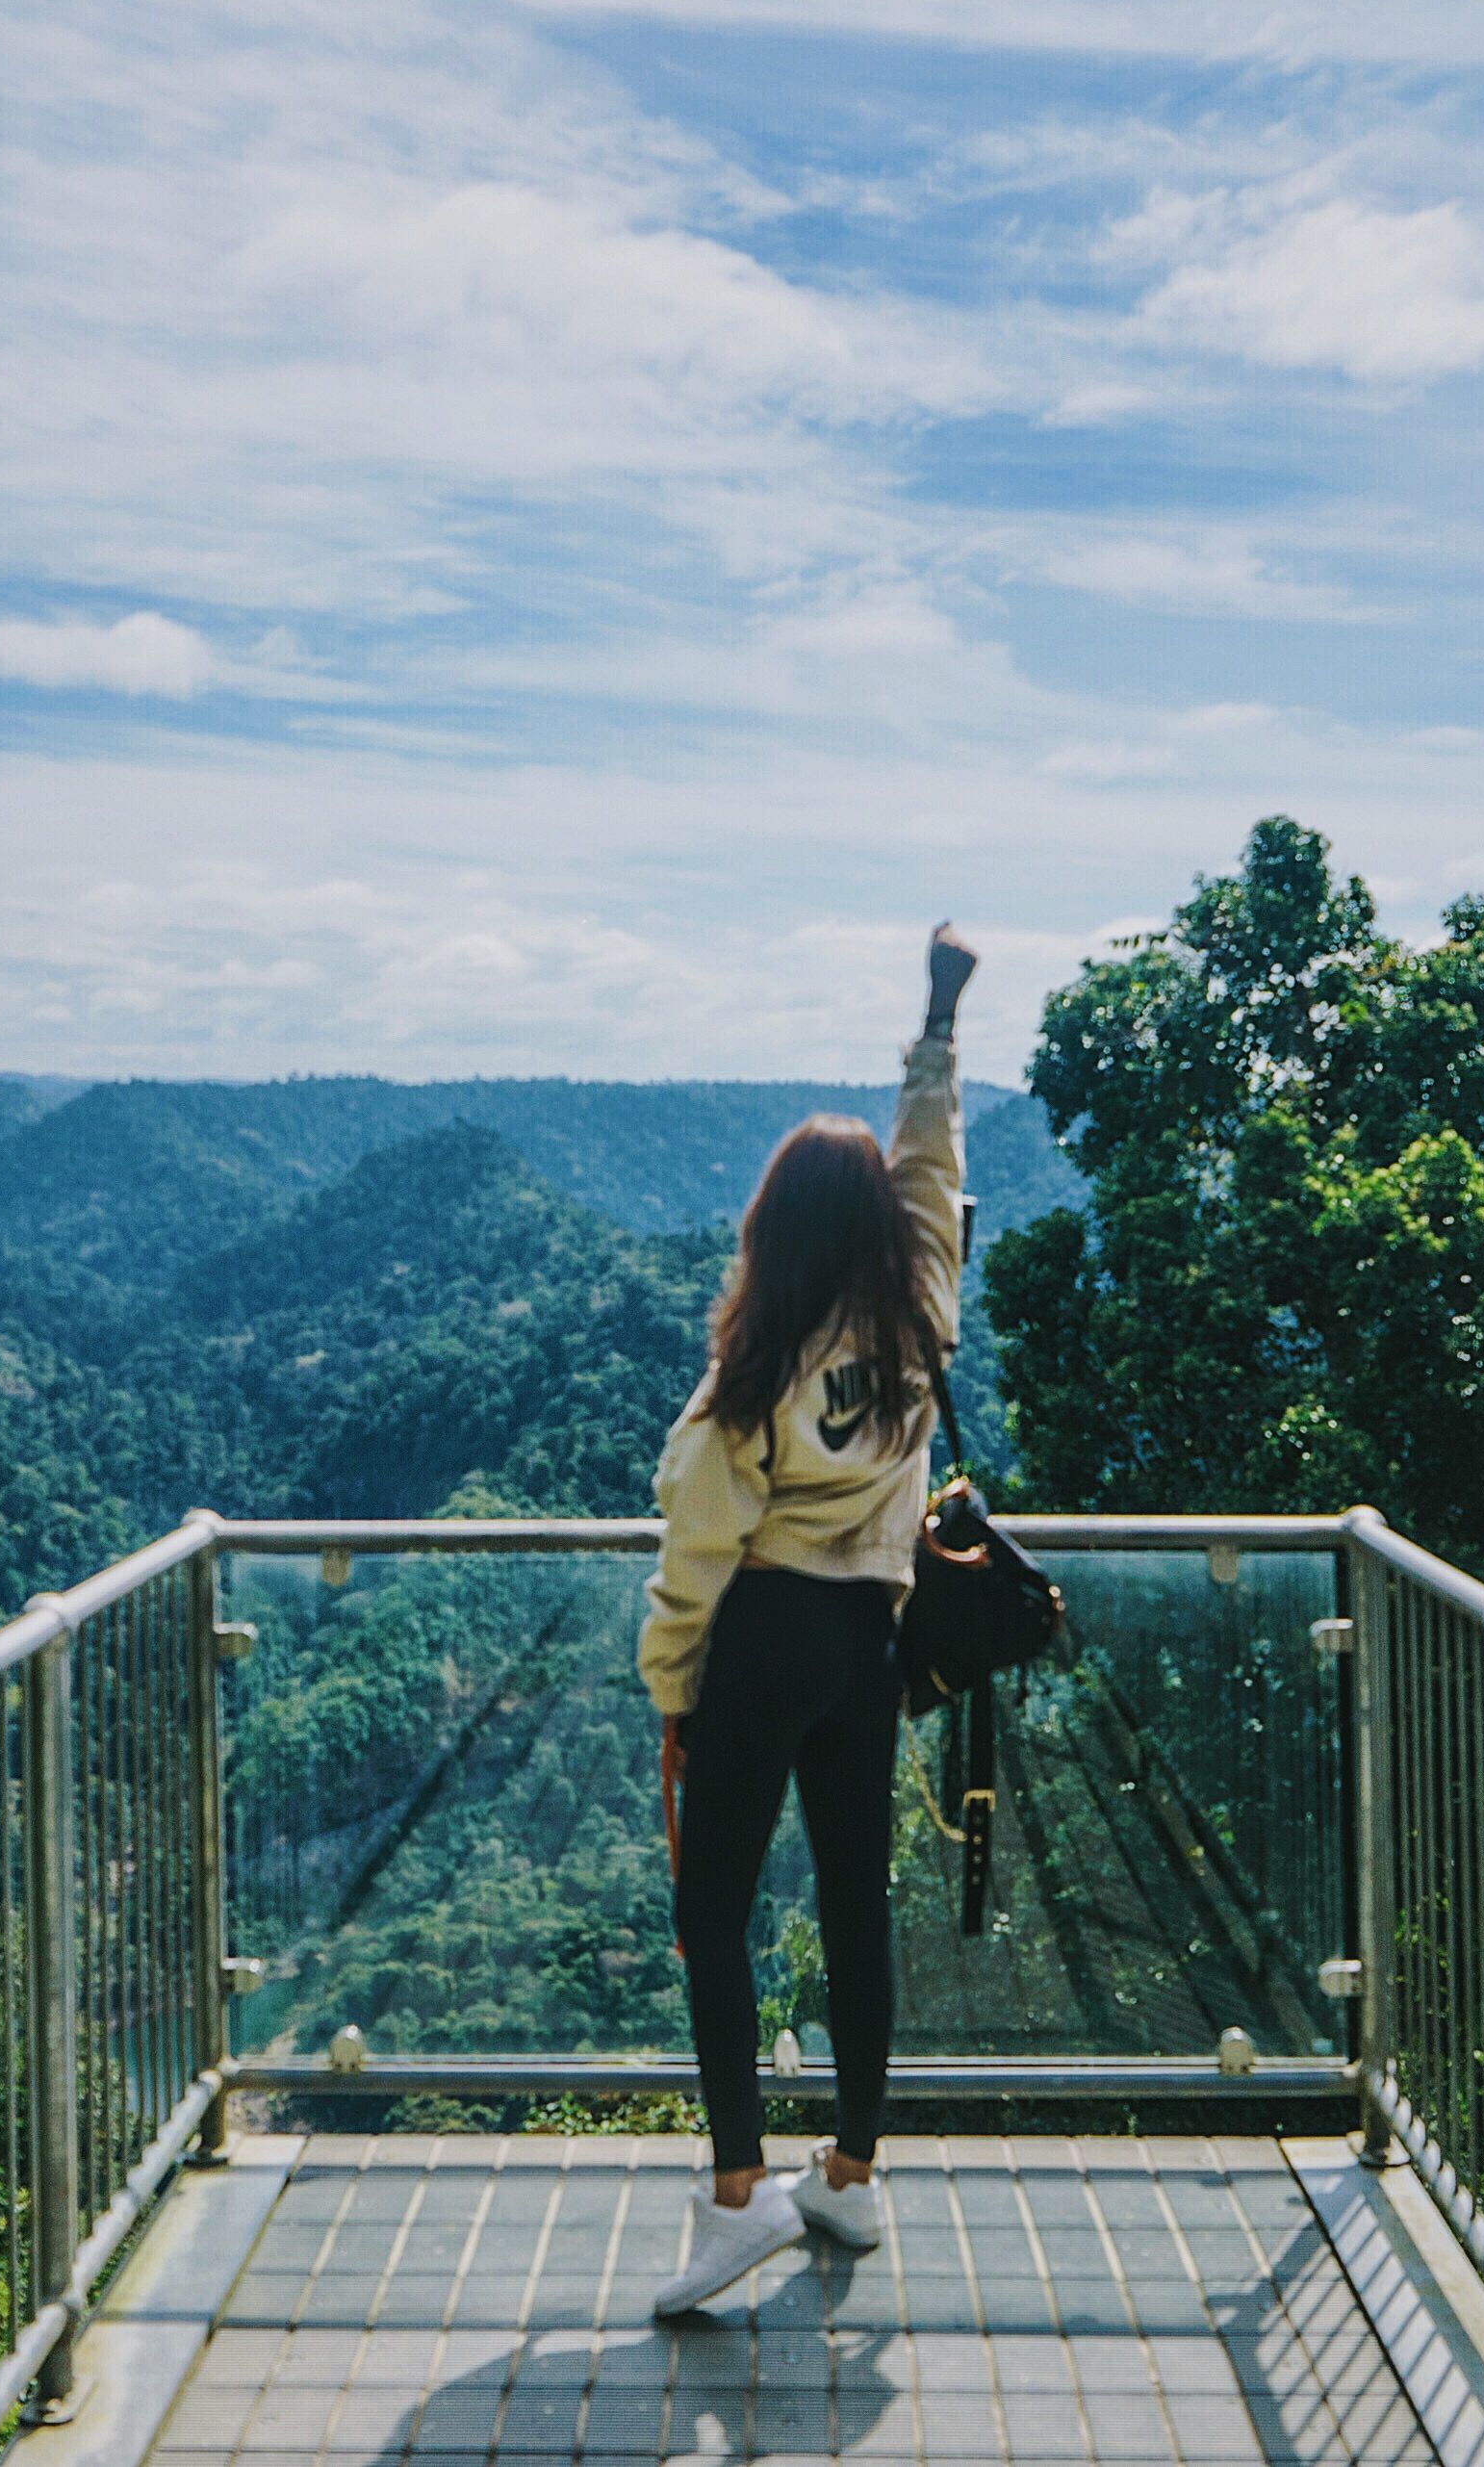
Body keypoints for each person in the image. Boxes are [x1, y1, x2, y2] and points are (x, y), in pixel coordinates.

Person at [642, 923, 974, 2317]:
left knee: (712, 1911)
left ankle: (735, 2198)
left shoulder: (763, 1366)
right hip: (871, 1652)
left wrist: (674, 1697)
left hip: (770, 1637)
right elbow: (932, 1169)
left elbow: (697, 1554)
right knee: (856, 1908)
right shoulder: (923, 1317)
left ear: (775, 1227)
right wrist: (938, 1033)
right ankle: (847, 2176)